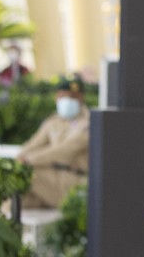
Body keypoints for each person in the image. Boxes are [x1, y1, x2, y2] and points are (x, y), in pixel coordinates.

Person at [13, 76, 90, 210]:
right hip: (49, 179)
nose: (67, 101)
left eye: (72, 97)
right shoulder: (52, 122)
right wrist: (19, 158)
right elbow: (31, 146)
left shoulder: (88, 124)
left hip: (73, 179)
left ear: (81, 98)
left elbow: (64, 152)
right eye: (62, 96)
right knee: (12, 202)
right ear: (56, 98)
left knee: (23, 174)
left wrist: (29, 160)